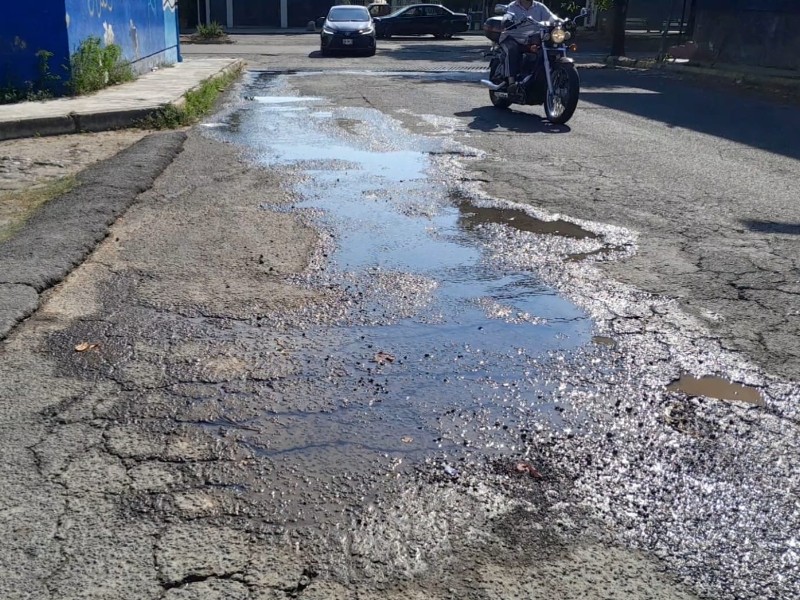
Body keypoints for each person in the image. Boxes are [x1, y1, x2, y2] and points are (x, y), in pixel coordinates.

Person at [499, 0, 560, 90]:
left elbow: (551, 17)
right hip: (513, 37)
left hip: (531, 38)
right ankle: (511, 83)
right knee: (512, 49)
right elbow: (509, 14)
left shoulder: (539, 6)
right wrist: (507, 20)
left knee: (547, 48)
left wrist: (560, 21)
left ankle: (537, 77)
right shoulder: (513, 6)